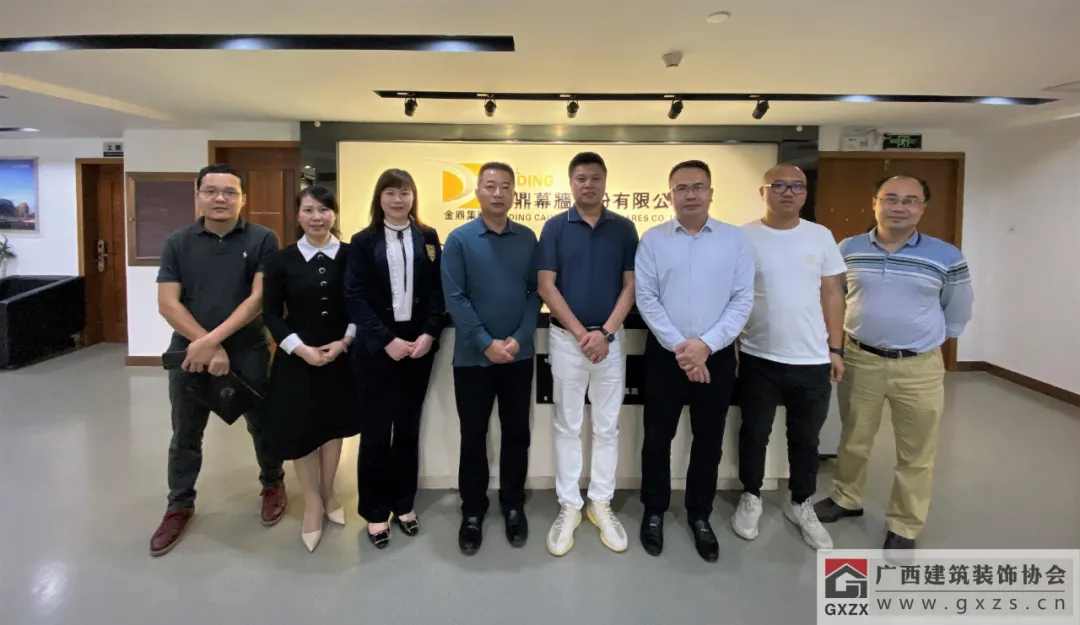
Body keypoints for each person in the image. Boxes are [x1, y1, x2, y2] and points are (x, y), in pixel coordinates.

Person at [814, 175, 974, 552]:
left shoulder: (946, 255)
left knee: (916, 451)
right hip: (860, 358)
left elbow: (958, 310)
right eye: (890, 198)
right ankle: (846, 497)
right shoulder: (849, 248)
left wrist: (923, 341)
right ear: (875, 203)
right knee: (854, 437)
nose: (899, 207)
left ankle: (905, 523)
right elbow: (835, 295)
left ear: (922, 207)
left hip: (919, 366)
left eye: (910, 200)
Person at [150, 163, 286, 556]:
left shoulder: (262, 238)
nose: (220, 199)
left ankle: (273, 482)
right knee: (185, 432)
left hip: (247, 350)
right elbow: (167, 303)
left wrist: (214, 342)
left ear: (243, 198)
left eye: (229, 192)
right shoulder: (177, 242)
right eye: (211, 191)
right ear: (198, 196)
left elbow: (258, 299)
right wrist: (205, 346)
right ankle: (179, 504)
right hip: (190, 354)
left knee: (262, 425)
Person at [634, 160, 754, 563]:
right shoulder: (652, 240)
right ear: (669, 195)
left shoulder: (735, 240)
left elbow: (742, 299)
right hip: (664, 357)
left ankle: (699, 514)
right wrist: (682, 349)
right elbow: (646, 298)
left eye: (698, 186)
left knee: (708, 439)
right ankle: (654, 510)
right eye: (681, 188)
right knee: (657, 438)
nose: (690, 194)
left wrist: (706, 345)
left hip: (715, 358)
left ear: (711, 193)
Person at [731, 164, 846, 552]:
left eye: (797, 186)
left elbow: (832, 293)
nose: (788, 192)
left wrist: (835, 348)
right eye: (778, 185)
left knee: (806, 438)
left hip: (812, 358)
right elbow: (735, 295)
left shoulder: (820, 235)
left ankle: (801, 502)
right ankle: (751, 496)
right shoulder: (743, 237)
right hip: (757, 355)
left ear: (805, 193)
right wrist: (733, 345)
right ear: (763, 191)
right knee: (754, 432)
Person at [536, 151, 638, 556]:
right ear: (571, 183)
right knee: (568, 424)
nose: (588, 184)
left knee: (608, 427)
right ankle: (569, 505)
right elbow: (546, 285)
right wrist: (583, 335)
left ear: (605, 182)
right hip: (567, 341)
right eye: (581, 178)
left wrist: (605, 333)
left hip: (611, 341)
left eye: (595, 177)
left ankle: (600, 502)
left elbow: (631, 285)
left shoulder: (624, 228)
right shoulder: (555, 227)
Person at [441, 161, 541, 556]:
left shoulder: (527, 238)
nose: (497, 193)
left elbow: (535, 292)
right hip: (472, 359)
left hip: (519, 355)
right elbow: (455, 297)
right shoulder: (459, 239)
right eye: (490, 186)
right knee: (473, 435)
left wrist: (519, 338)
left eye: (505, 187)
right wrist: (485, 342)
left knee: (517, 432)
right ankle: (473, 510)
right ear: (478, 192)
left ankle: (513, 505)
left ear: (514, 193)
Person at [345, 169, 447, 549]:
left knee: (407, 428)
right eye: (390, 192)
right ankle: (374, 510)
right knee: (375, 431)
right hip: (376, 349)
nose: (398, 200)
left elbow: (438, 291)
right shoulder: (362, 241)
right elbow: (354, 296)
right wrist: (385, 339)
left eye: (404, 192)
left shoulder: (429, 237)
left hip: (418, 348)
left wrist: (429, 334)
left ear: (413, 197)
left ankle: (404, 503)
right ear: (379, 198)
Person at [261, 185, 361, 552]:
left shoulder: (351, 255)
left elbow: (360, 304)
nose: (317, 217)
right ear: (298, 216)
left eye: (324, 209)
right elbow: (271, 314)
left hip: (340, 356)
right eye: (308, 210)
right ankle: (313, 504)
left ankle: (329, 492)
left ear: (334, 213)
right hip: (297, 359)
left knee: (334, 426)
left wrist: (345, 342)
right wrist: (300, 349)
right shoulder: (280, 261)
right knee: (302, 430)